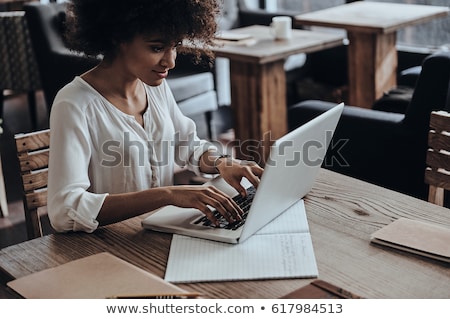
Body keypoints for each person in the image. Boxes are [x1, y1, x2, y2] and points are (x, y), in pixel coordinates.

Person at [47, 0, 263, 233]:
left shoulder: (154, 85)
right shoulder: (74, 103)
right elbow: (63, 210)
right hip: (108, 247)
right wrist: (167, 195)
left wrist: (221, 162)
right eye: (157, 48)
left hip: (158, 232)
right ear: (118, 38)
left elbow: (187, 145)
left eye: (175, 46)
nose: (170, 61)